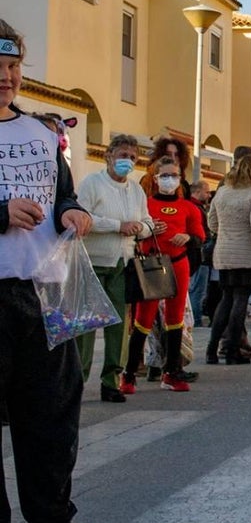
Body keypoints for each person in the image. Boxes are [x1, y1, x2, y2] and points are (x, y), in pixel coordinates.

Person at [0, 19, 120, 523]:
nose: (6, 76)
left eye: (12, 65)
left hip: (46, 293)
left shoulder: (42, 135)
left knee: (52, 418)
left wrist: (72, 213)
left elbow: (62, 198)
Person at [75, 134, 153, 402]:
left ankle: (112, 380)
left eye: (132, 157)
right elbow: (83, 217)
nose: (127, 161)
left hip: (123, 262)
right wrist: (116, 225)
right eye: (122, 155)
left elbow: (148, 222)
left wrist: (139, 228)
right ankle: (78, 379)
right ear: (108, 155)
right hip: (93, 261)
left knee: (119, 324)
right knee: (87, 325)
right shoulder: (92, 184)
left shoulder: (136, 190)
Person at [122, 156, 206, 393]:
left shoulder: (189, 207)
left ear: (180, 179)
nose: (170, 180)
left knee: (175, 317)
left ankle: (171, 372)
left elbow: (200, 236)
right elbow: (132, 231)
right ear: (156, 178)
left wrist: (188, 238)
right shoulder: (144, 204)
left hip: (178, 264)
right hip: (151, 265)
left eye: (174, 175)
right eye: (165, 175)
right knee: (143, 318)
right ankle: (128, 374)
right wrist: (146, 231)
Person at [206, 155, 251, 365]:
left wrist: (227, 234)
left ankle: (212, 350)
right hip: (246, 254)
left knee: (226, 299)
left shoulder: (223, 192)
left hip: (224, 252)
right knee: (240, 300)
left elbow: (212, 222)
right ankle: (232, 350)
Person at [187, 180, 212, 326]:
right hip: (199, 254)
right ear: (197, 192)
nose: (209, 195)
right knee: (197, 290)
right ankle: (195, 320)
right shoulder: (195, 208)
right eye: (207, 191)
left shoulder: (197, 207)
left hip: (198, 253)